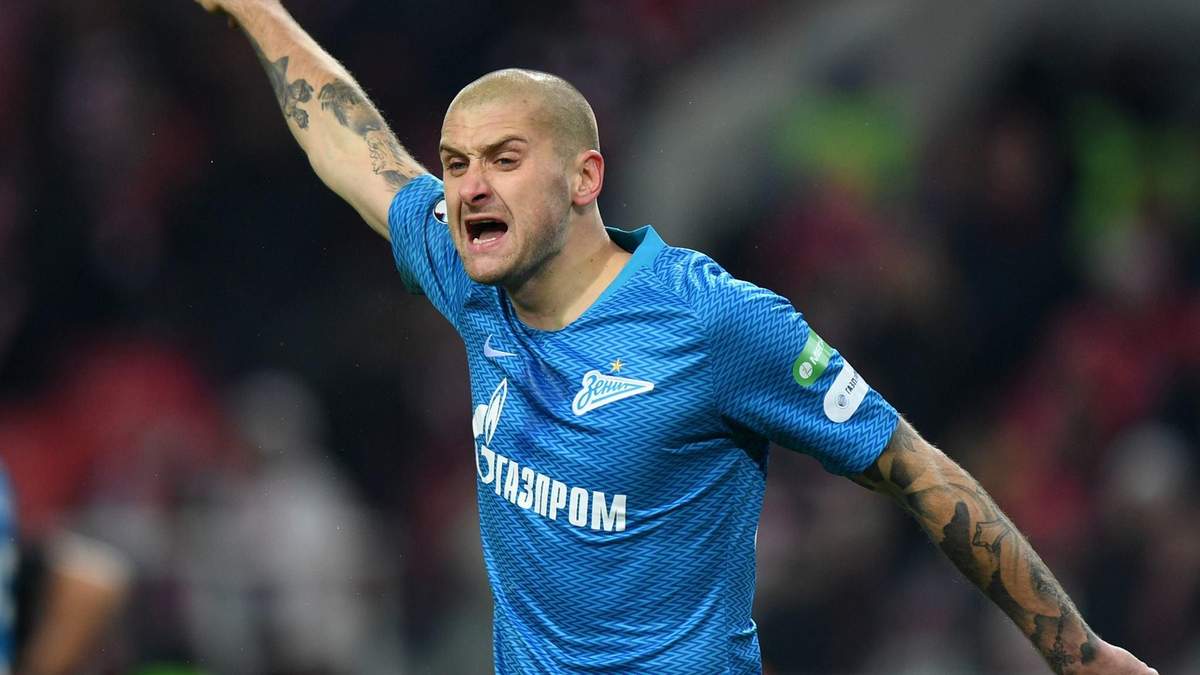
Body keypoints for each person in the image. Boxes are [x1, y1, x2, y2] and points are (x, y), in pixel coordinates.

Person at [193, 2, 1158, 673]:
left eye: (503, 159)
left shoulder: (715, 323)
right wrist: (256, 10)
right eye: (454, 164)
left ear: (584, 178)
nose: (468, 185)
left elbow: (915, 469)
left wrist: (1077, 653)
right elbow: (355, 147)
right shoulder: (467, 268)